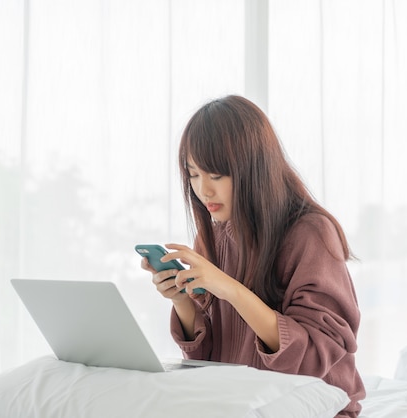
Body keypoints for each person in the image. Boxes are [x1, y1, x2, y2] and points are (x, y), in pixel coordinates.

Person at [140, 95, 365, 417]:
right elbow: (209, 358)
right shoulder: (214, 234)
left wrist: (231, 290)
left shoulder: (310, 232)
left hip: (312, 408)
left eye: (216, 175)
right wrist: (182, 301)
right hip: (237, 402)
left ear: (254, 168)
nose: (204, 190)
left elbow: (319, 355)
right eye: (193, 175)